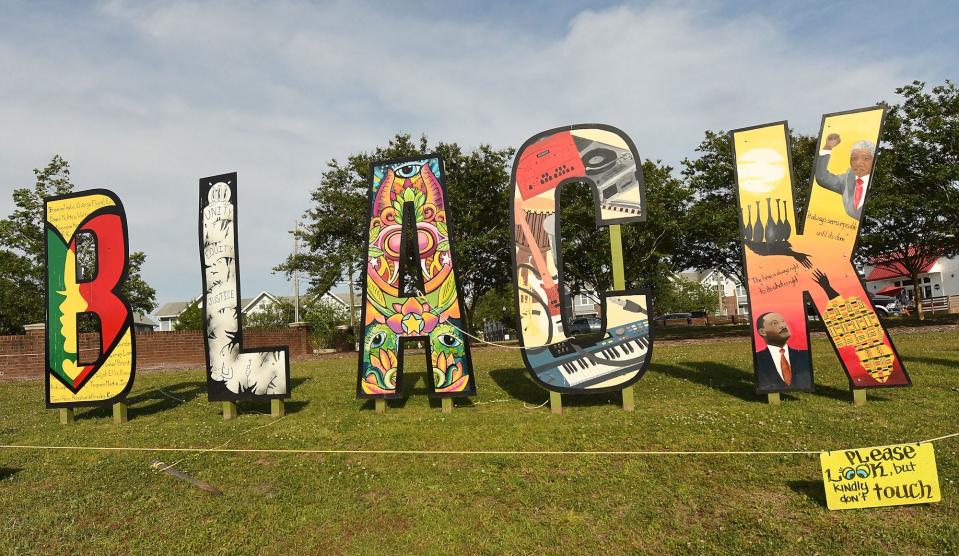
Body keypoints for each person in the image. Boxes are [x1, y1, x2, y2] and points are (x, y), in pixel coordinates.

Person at [814, 133, 875, 221]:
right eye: (854, 158)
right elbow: (822, 178)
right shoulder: (847, 179)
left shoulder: (882, 180)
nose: (858, 163)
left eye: (865, 158)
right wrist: (828, 147)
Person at [754, 311, 812, 391]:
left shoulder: (804, 355)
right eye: (775, 323)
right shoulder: (757, 359)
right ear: (762, 332)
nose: (783, 325)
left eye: (783, 321)